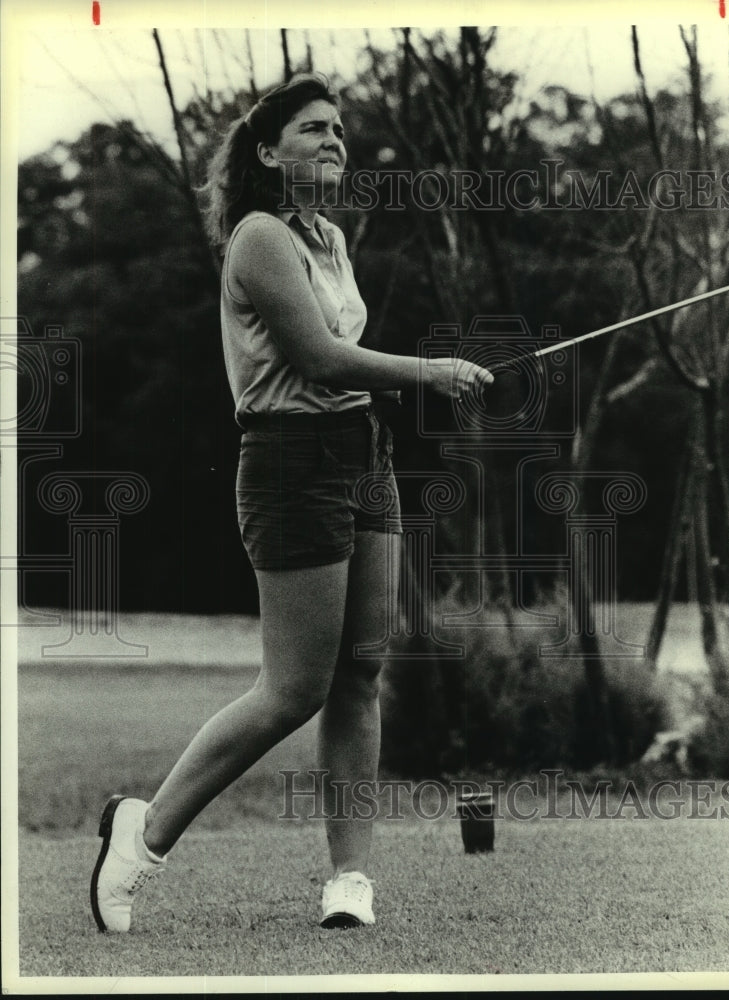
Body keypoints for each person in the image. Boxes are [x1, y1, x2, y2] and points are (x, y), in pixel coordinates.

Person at [90, 72, 493, 934]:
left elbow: (345, 365)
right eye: (313, 130)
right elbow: (317, 358)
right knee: (293, 688)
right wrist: (433, 371)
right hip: (290, 462)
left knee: (360, 674)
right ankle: (143, 834)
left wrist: (407, 393)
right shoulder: (260, 237)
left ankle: (350, 881)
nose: (334, 141)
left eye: (339, 130)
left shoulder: (331, 240)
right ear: (269, 152)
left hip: (362, 456)